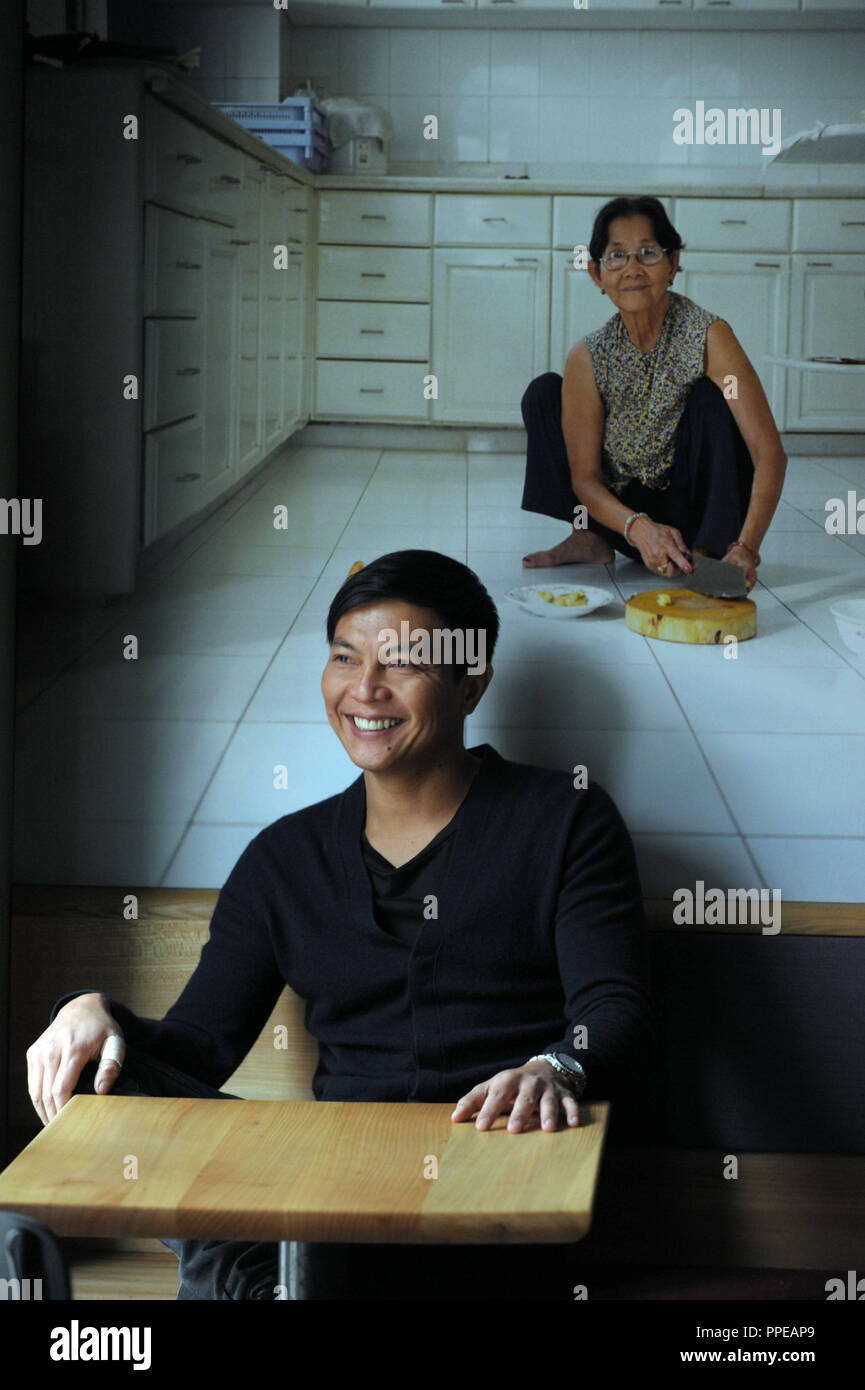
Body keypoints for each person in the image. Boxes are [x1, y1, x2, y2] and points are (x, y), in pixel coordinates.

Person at [26, 550, 651, 1301]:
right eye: (345, 657)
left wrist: (555, 1068)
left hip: (498, 1170)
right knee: (107, 1075)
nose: (365, 690)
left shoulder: (565, 819)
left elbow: (614, 1008)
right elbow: (196, 1052)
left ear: (471, 683)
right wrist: (91, 1010)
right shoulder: (283, 858)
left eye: (402, 665)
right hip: (333, 1186)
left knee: (245, 1266)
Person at [521, 195, 787, 590]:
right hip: (623, 520)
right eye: (616, 256)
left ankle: (709, 555)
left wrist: (747, 547)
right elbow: (586, 479)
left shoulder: (710, 336)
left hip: (692, 513)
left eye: (647, 253)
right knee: (544, 393)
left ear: (672, 264)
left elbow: (769, 454)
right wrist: (639, 529)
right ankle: (590, 538)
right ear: (597, 274)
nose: (632, 269)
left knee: (711, 399)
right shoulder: (589, 355)